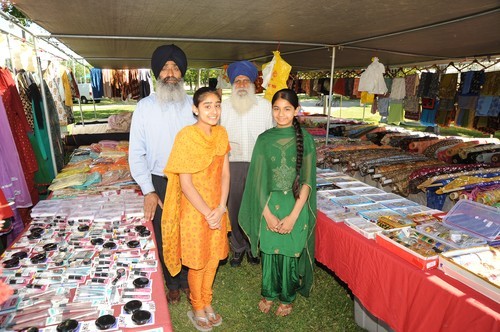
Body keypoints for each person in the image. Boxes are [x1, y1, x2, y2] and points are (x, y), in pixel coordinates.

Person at [239, 88, 317, 317]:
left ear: (296, 111)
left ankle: (287, 297)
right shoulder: (263, 140)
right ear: (271, 110)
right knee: (270, 253)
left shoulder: (307, 140)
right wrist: (267, 214)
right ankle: (269, 294)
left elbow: (307, 182)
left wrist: (293, 216)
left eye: (287, 109)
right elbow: (256, 183)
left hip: (296, 205)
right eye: (276, 109)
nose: (281, 114)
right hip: (269, 205)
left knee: (290, 253)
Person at [128, 44, 195, 304]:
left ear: (182, 73)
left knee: (189, 231)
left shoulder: (194, 106)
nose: (170, 72)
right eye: (165, 67)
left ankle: (190, 280)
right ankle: (172, 284)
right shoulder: (144, 107)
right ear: (157, 73)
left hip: (190, 180)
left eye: (175, 67)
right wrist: (148, 190)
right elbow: (136, 153)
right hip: (160, 181)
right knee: (164, 233)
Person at [162, 87, 230, 331]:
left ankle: (207, 302)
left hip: (217, 208)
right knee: (198, 261)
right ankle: (197, 306)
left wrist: (221, 207)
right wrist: (207, 213)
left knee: (213, 260)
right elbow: (185, 183)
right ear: (195, 109)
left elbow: (225, 174)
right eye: (207, 106)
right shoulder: (186, 137)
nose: (213, 110)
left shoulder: (221, 134)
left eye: (217, 105)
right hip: (194, 211)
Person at [220, 60, 274, 267]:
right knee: (233, 208)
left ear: (253, 83)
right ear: (232, 84)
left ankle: (254, 247)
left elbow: (271, 137)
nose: (241, 85)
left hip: (258, 163)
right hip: (231, 164)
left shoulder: (265, 106)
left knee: (256, 207)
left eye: (245, 81)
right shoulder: (222, 107)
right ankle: (238, 247)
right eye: (238, 81)